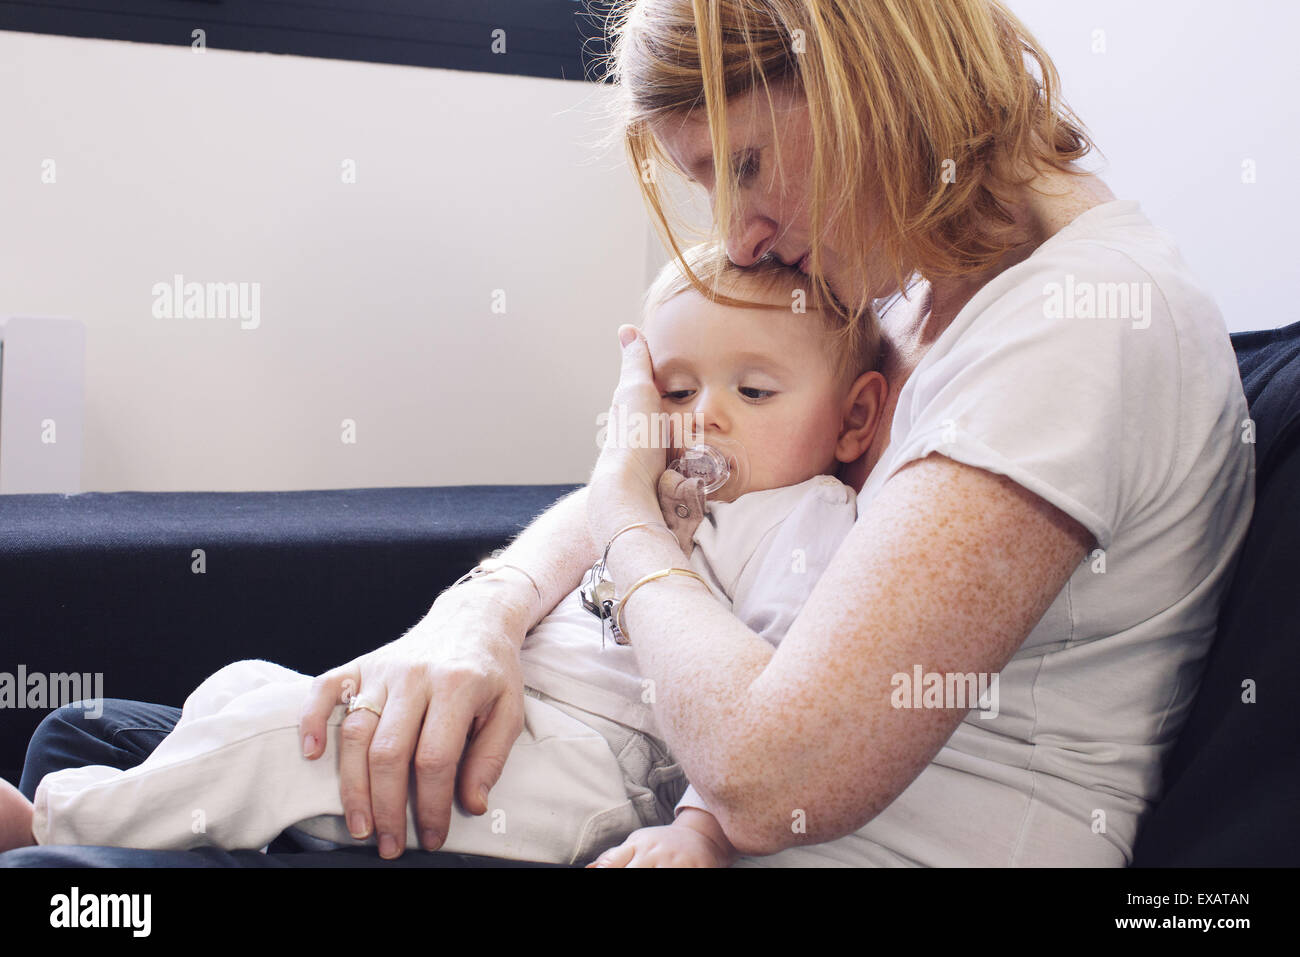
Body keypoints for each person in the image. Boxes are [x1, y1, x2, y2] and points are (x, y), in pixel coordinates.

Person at [4, 0, 1255, 869]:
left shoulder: (1079, 328)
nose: (747, 234)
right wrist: (477, 620)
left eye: (751, 163)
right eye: (716, 189)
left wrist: (623, 503)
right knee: (91, 736)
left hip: (748, 836)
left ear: (875, 66)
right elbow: (674, 480)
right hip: (667, 803)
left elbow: (776, 779)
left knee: (73, 861)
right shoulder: (908, 283)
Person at [0, 243, 887, 867]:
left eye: (755, 389)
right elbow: (531, 583)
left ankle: (50, 827)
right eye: (678, 388)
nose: (705, 415)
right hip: (505, 719)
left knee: (276, 744)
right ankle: (168, 824)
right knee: (219, 693)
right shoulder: (641, 485)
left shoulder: (807, 520)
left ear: (854, 416)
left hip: (588, 765)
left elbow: (766, 701)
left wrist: (700, 832)